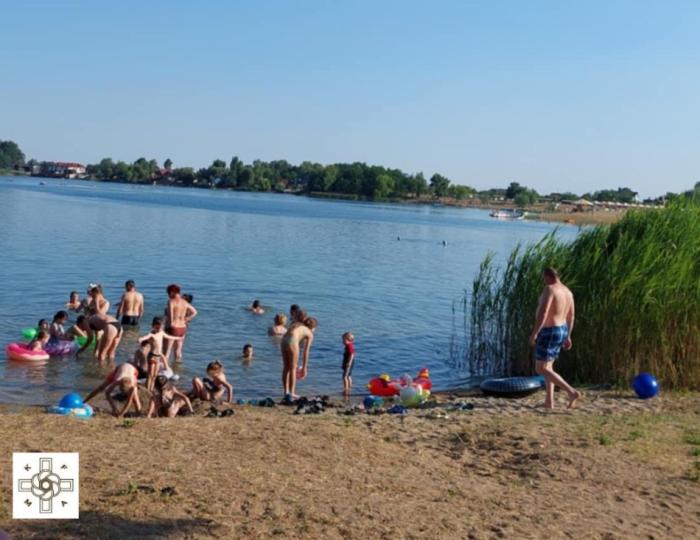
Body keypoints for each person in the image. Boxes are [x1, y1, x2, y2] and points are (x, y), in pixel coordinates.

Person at [529, 267, 581, 410]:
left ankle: (571, 392)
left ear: (547, 276)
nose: (544, 281)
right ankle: (549, 402)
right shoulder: (568, 292)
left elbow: (544, 312)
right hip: (561, 329)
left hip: (549, 331)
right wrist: (568, 335)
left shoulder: (550, 289)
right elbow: (571, 316)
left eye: (544, 278)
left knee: (540, 368)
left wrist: (535, 333)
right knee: (548, 367)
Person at [280, 317, 317, 400]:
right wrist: (304, 368)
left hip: (284, 340)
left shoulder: (298, 325)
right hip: (292, 340)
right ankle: (292, 393)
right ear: (313, 327)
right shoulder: (309, 333)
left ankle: (286, 392)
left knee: (286, 367)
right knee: (293, 368)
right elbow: (306, 352)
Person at [163, 284, 197, 362]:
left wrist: (166, 328)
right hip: (182, 328)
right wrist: (187, 319)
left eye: (168, 293)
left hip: (173, 328)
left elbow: (170, 317)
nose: (168, 295)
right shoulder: (184, 302)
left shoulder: (171, 302)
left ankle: (165, 368)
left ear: (172, 292)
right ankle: (178, 367)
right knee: (178, 351)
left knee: (167, 351)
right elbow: (195, 312)